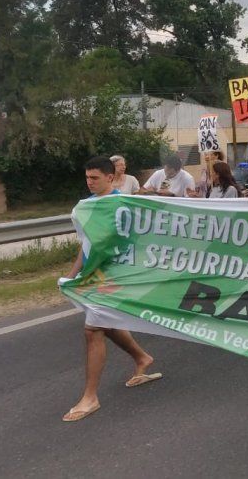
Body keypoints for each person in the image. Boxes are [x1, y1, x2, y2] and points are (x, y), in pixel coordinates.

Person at [61, 156, 160, 422]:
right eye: (87, 177)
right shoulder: (87, 207)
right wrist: (72, 275)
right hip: (95, 275)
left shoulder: (122, 206)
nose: (89, 182)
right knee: (106, 324)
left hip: (117, 276)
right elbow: (87, 245)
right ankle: (142, 357)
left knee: (92, 330)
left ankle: (90, 397)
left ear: (110, 177)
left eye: (94, 178)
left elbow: (137, 241)